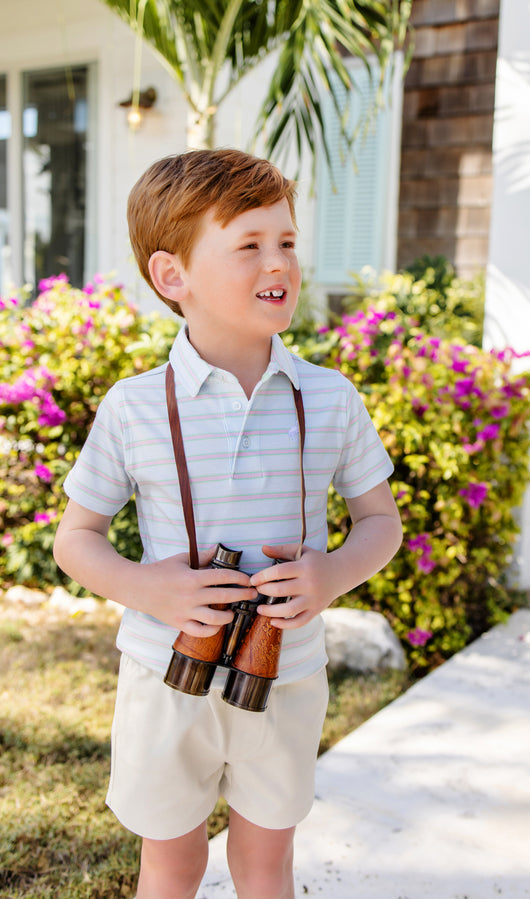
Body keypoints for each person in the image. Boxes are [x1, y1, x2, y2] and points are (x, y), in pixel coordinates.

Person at [53, 148, 403, 899]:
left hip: (288, 671)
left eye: (286, 241)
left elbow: (382, 520)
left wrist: (335, 569)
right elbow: (74, 539)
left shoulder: (330, 398)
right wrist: (152, 590)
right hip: (164, 671)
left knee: (267, 860)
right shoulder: (135, 406)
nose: (278, 260)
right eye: (249, 245)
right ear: (172, 276)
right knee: (172, 862)